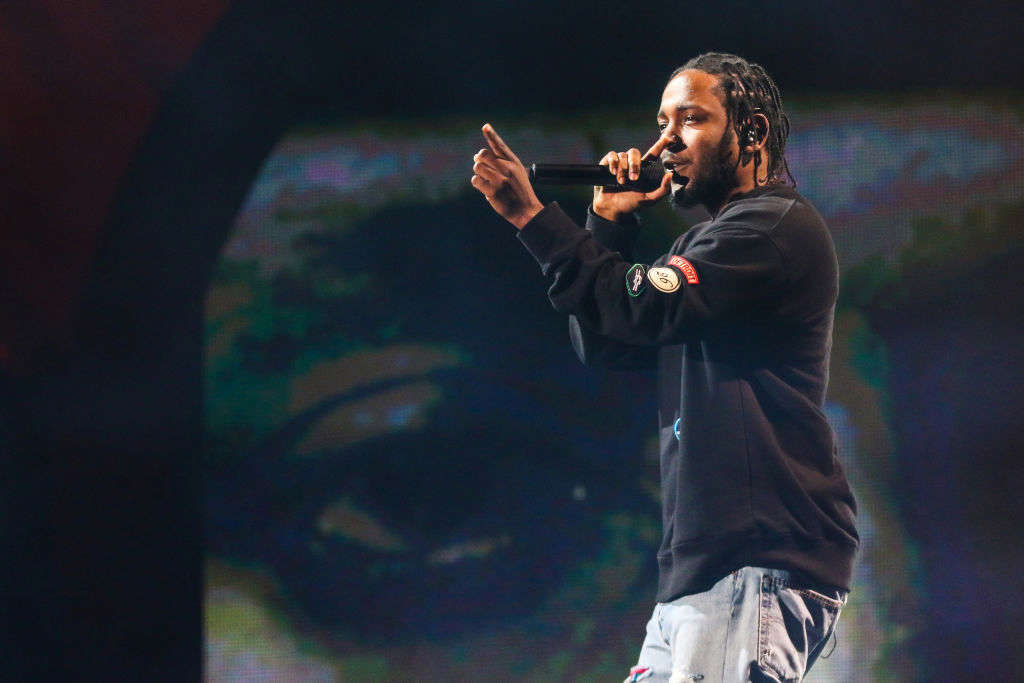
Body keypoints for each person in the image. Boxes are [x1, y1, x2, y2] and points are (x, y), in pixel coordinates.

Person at [471, 52, 859, 682]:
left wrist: (532, 219)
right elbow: (608, 340)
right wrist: (608, 222)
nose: (664, 143)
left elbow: (641, 306)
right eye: (661, 123)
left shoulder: (771, 229)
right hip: (705, 572)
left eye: (690, 120)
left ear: (752, 131)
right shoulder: (705, 245)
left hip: (753, 557)